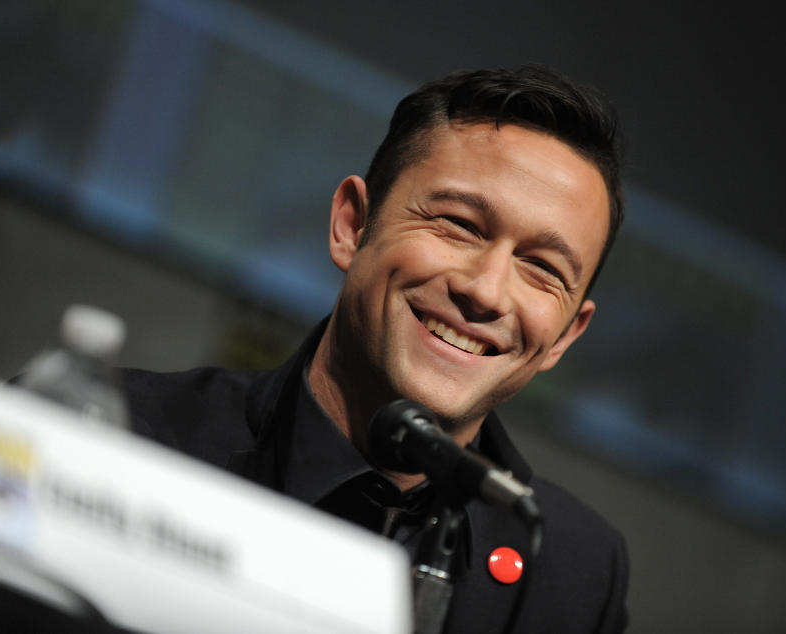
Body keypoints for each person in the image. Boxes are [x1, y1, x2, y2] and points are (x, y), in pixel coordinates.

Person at [124, 65, 629, 633]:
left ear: (565, 334)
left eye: (541, 268)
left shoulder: (577, 569)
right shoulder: (123, 438)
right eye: (459, 225)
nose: (486, 291)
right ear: (352, 224)